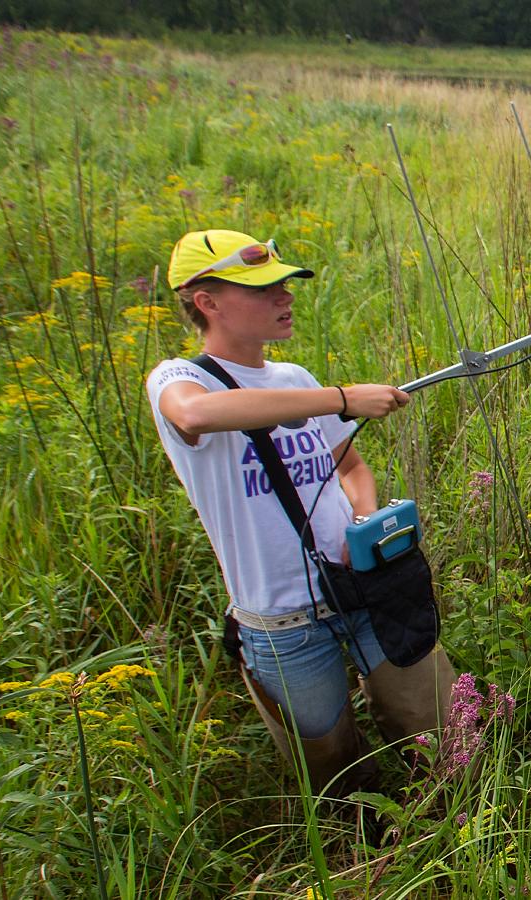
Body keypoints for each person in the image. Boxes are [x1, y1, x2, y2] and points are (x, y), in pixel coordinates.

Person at [145, 229, 454, 798]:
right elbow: (195, 416)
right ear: (206, 302)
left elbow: (352, 468)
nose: (283, 298)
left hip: (366, 587)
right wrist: (340, 398)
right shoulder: (178, 379)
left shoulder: (294, 379)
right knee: (331, 764)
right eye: (263, 289)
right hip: (282, 620)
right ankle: (365, 850)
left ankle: (459, 822)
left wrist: (362, 523)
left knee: (441, 724)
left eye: (284, 286)